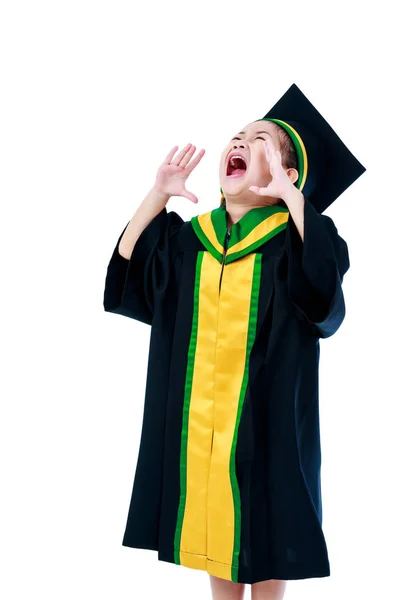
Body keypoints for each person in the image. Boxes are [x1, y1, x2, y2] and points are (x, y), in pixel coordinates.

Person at [103, 83, 366, 599]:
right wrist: (157, 194)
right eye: (238, 136)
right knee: (212, 520)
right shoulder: (189, 241)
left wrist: (295, 202)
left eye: (261, 138)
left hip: (268, 421)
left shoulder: (305, 239)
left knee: (269, 518)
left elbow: (323, 305)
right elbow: (128, 278)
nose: (240, 142)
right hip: (200, 421)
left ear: (289, 175)